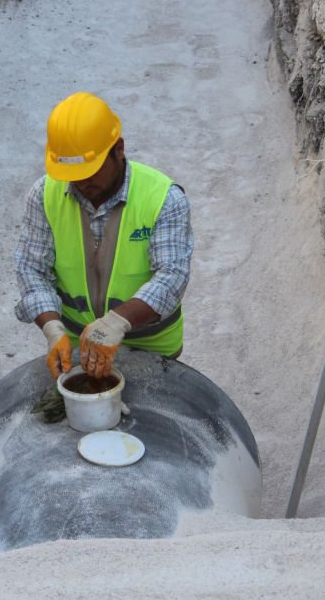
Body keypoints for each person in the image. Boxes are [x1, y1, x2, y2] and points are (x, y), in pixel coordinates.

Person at [14, 91, 194, 382]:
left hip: (153, 347)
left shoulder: (163, 199)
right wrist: (52, 327)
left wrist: (117, 323)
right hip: (77, 346)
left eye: (91, 170)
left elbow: (172, 276)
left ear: (118, 149)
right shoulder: (45, 195)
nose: (82, 182)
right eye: (72, 173)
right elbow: (32, 269)